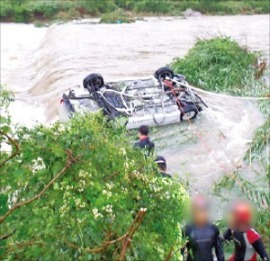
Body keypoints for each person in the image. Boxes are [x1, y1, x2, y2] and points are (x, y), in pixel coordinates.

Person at [182, 194, 224, 261]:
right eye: (199, 210)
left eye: (204, 210)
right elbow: (182, 251)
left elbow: (220, 252)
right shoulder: (188, 230)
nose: (201, 214)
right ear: (194, 212)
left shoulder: (213, 229)